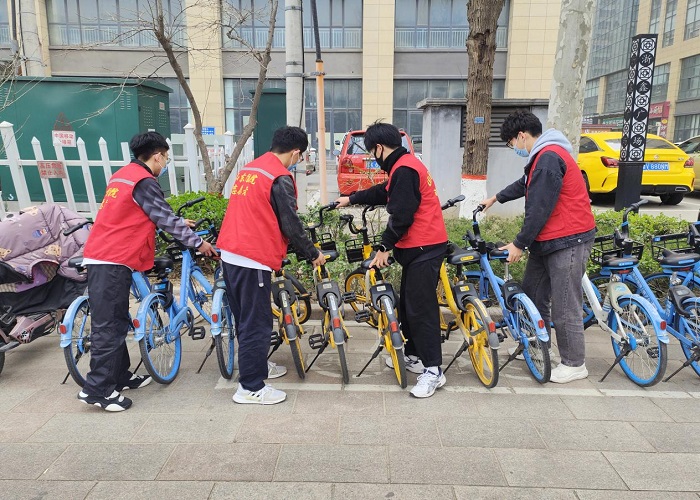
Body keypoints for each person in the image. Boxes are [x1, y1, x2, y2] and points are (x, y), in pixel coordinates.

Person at [80, 131, 217, 411]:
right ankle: (97, 390)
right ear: (157, 156)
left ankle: (120, 376)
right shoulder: (144, 181)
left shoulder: (123, 176)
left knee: (118, 320)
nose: (164, 163)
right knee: (108, 326)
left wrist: (177, 221)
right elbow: (163, 217)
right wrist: (199, 243)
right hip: (112, 259)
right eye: (165, 158)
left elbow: (140, 212)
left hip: (107, 255)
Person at [480, 109, 596, 383]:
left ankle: (574, 364)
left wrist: (519, 244)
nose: (514, 148)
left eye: (511, 143)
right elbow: (526, 184)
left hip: (568, 239)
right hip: (548, 240)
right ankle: (537, 345)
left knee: (565, 304)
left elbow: (540, 208)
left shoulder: (548, 158)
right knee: (532, 294)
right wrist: (496, 198)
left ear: (521, 136)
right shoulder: (542, 157)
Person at [336, 121, 448, 398]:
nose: (373, 158)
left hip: (424, 246)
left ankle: (434, 370)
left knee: (421, 310)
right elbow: (384, 192)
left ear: (379, 148)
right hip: (418, 247)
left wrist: (384, 247)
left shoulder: (405, 169)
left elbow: (401, 214)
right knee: (409, 305)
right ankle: (413, 356)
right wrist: (351, 199)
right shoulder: (404, 165)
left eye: (371, 152)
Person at [217, 126, 325, 405]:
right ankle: (250, 387)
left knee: (245, 319)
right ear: (296, 153)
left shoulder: (252, 169)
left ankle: (256, 366)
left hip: (231, 253)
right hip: (251, 257)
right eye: (301, 157)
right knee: (257, 323)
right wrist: (312, 253)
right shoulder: (278, 176)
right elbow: (290, 223)